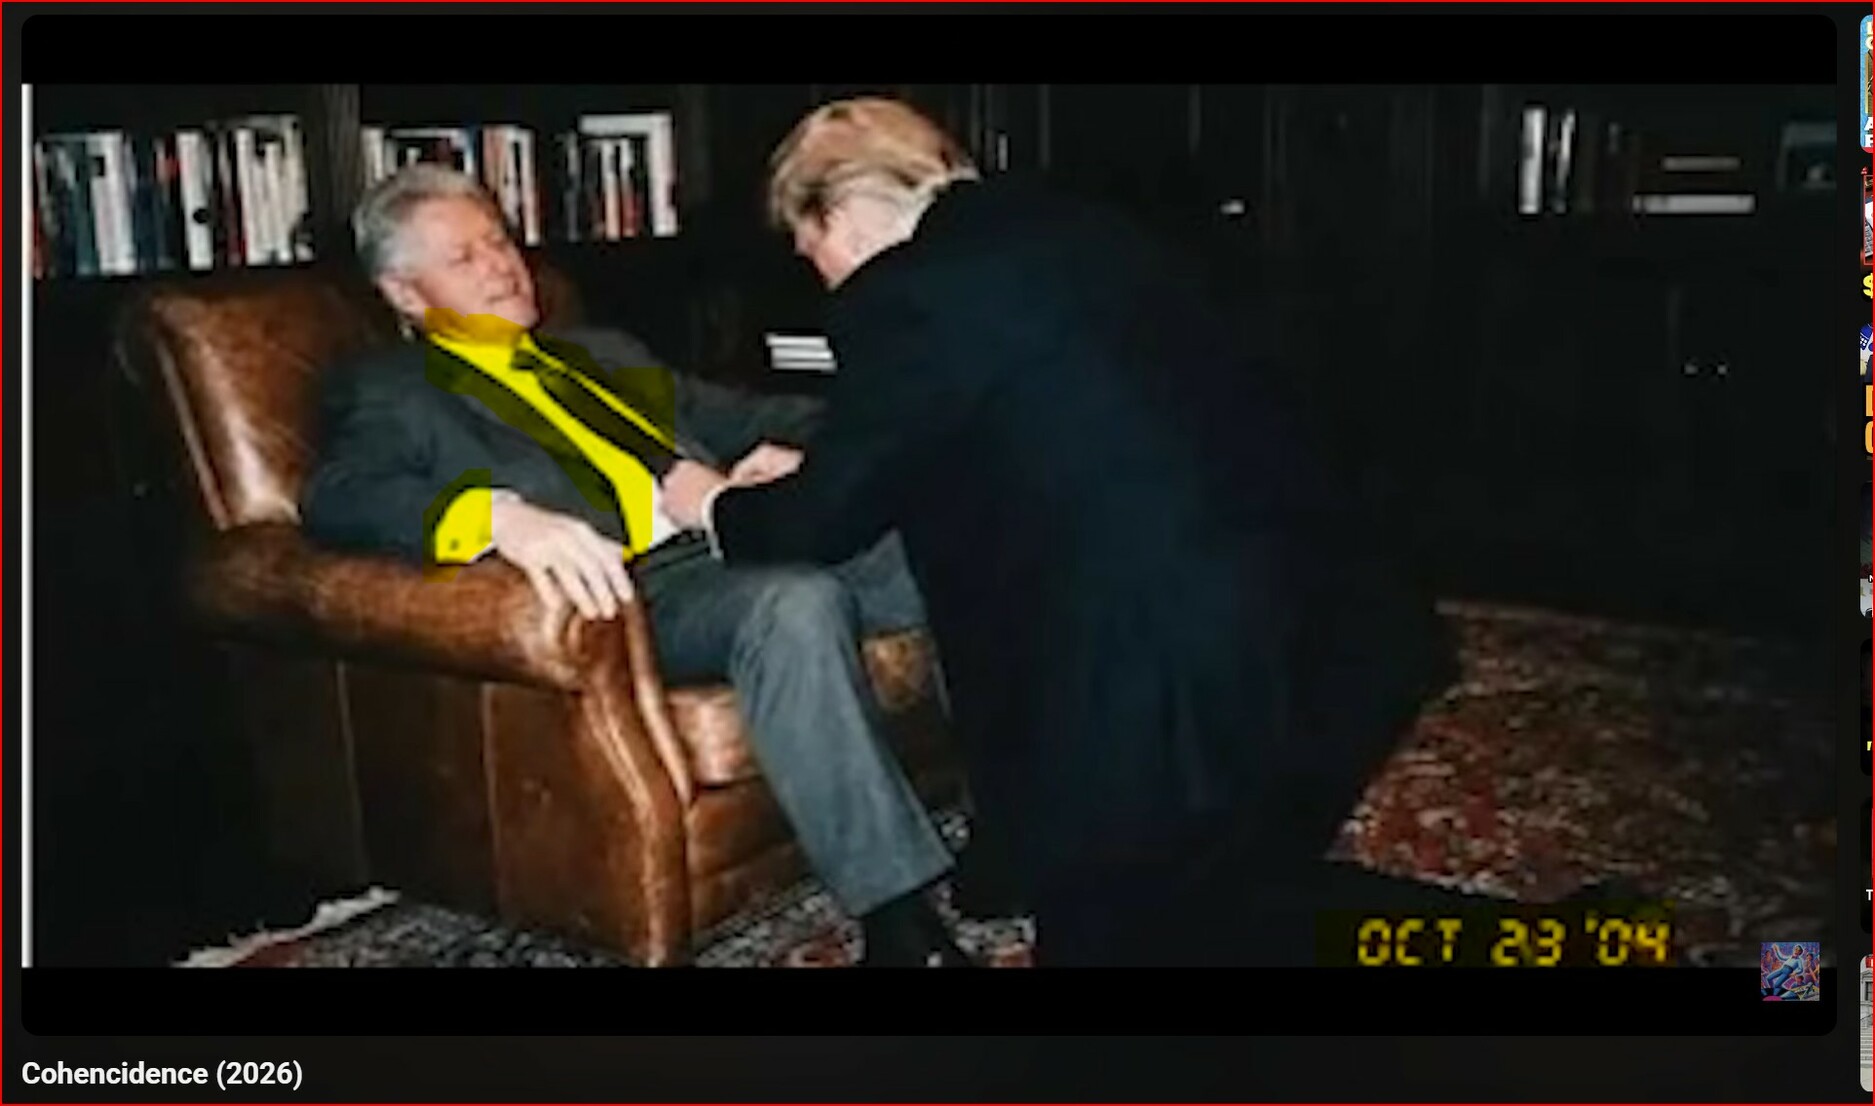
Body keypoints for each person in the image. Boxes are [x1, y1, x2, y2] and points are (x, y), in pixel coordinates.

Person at [660, 97, 1479, 966]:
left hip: (1195, 665)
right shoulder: (1067, 228)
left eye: (807, 247)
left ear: (838, 212)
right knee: (1221, 892)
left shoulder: (907, 291)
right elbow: (1024, 423)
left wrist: (710, 503)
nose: (820, 274)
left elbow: (822, 523)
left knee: (1166, 941)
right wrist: (833, 463)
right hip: (1329, 619)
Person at [299, 162, 972, 967]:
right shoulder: (394, 388)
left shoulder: (599, 352)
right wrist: (499, 518)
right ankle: (897, 919)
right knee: (791, 603)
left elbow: (748, 413)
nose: (501, 266)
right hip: (634, 589)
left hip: (727, 537)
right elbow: (341, 495)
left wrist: (846, 444)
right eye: (463, 257)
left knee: (942, 540)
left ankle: (1013, 820)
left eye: (500, 241)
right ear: (406, 294)